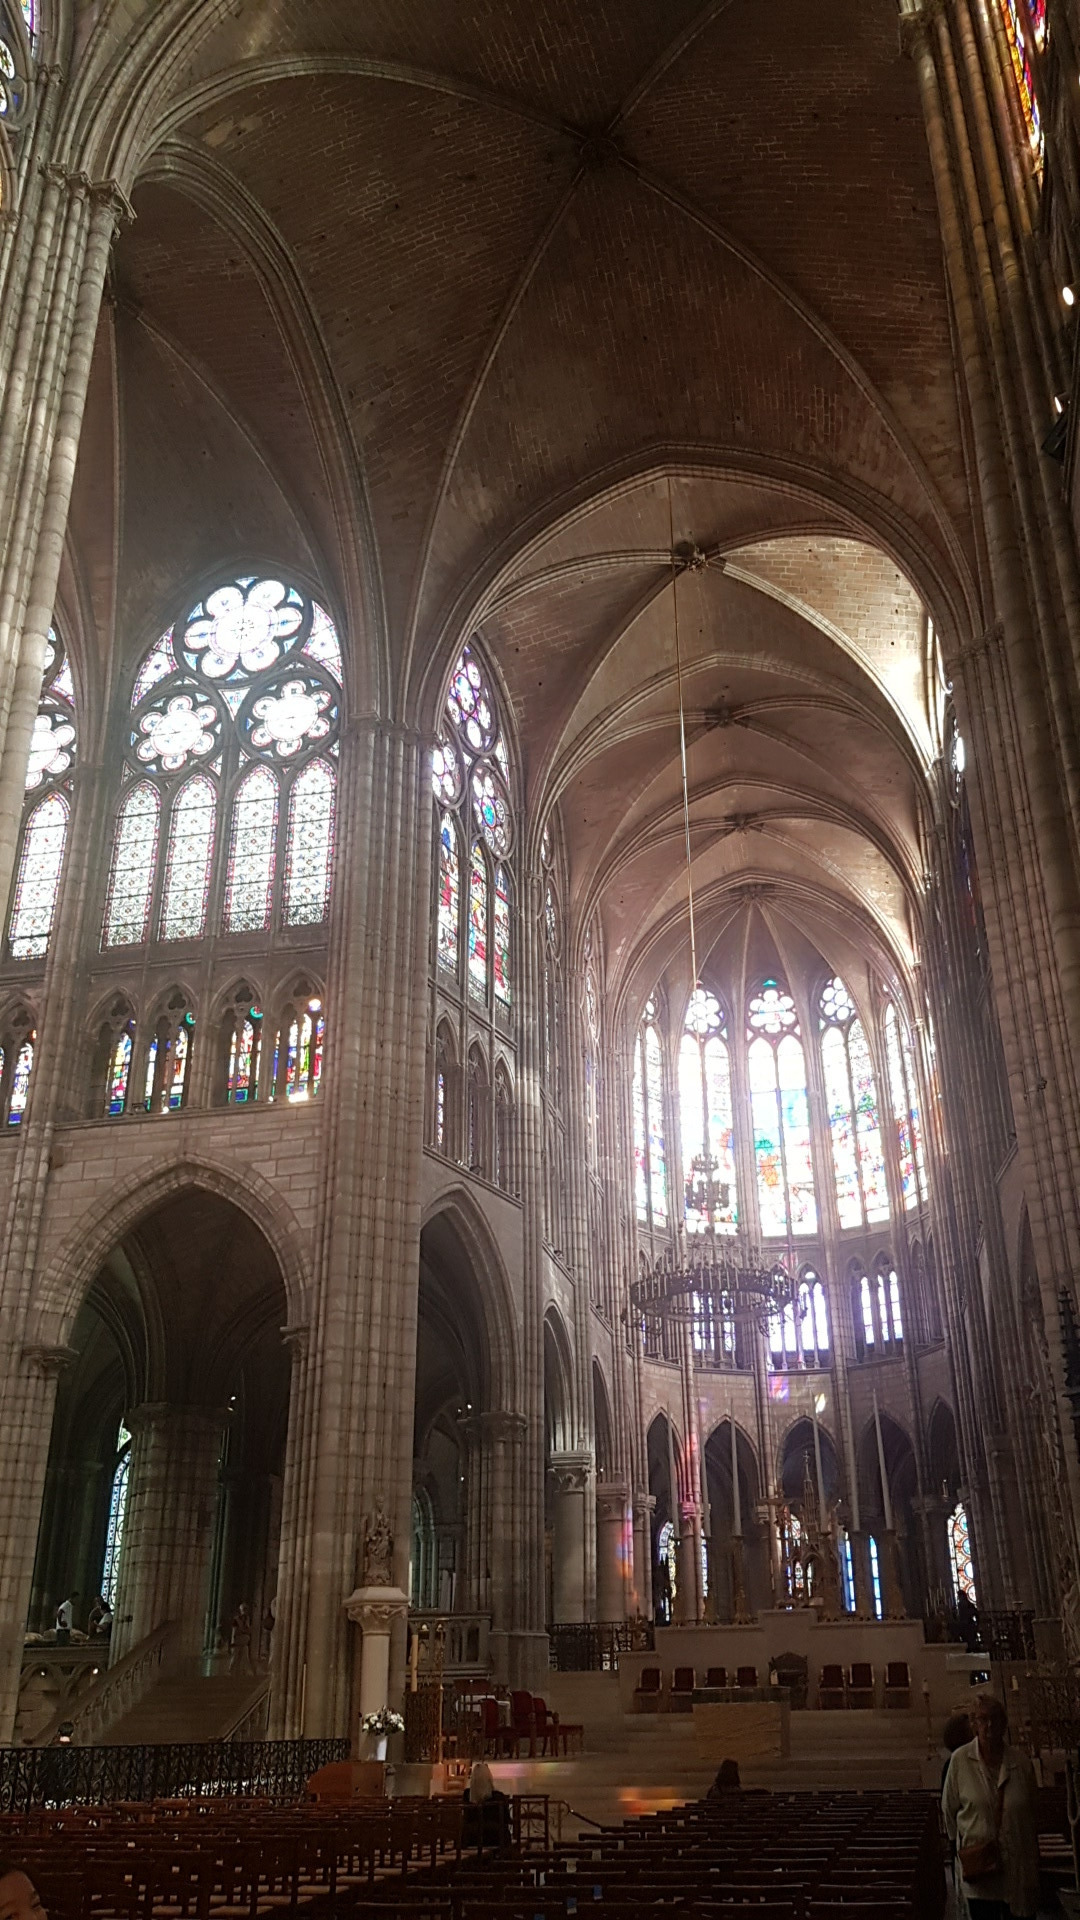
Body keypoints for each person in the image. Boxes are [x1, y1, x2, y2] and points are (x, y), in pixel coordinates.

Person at [942, 1693, 1039, 1920]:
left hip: (1018, 1865)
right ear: (974, 1724)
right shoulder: (960, 1761)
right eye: (983, 1719)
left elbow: (1032, 1808)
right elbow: (949, 1810)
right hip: (981, 1868)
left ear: (1004, 1723)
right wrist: (964, 1845)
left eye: (995, 1718)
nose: (990, 1725)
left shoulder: (1021, 1762)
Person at [228, 1602, 255, 1676]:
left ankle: (246, 1671)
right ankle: (231, 1670)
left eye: (246, 1609)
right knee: (235, 1656)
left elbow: (249, 1629)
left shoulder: (248, 1619)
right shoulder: (236, 1619)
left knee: (245, 1657)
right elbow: (234, 1630)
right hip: (238, 1640)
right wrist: (233, 1641)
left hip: (245, 1640)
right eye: (244, 1609)